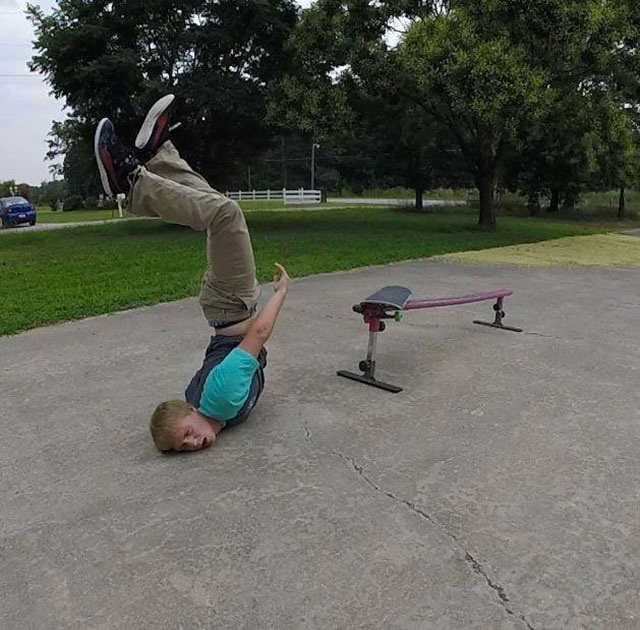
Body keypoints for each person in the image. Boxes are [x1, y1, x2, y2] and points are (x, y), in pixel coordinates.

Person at [94, 94, 289, 453]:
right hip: (225, 310)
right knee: (217, 210)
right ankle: (159, 154)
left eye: (185, 434)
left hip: (234, 307)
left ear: (191, 409)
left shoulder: (221, 398)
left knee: (225, 215)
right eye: (184, 447)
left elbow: (260, 332)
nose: (193, 443)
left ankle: (132, 184)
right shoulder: (206, 405)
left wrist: (281, 291)